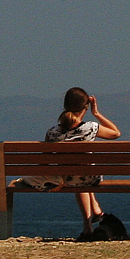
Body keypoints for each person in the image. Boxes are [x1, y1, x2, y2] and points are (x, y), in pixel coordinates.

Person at [44, 87, 120, 235]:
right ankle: (88, 225)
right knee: (82, 175)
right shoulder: (90, 127)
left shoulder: (52, 131)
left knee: (78, 175)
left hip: (65, 178)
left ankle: (95, 212)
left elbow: (45, 157)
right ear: (85, 107)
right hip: (89, 177)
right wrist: (96, 113)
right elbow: (115, 133)